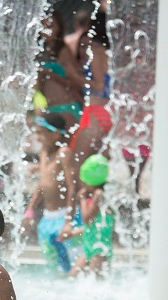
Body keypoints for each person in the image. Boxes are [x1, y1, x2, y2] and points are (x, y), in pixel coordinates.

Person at [68, 2, 111, 208]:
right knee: (94, 163)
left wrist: (75, 78)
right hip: (101, 111)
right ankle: (93, 210)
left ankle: (79, 212)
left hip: (95, 111)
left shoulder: (96, 48)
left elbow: (99, 84)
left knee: (79, 162)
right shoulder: (107, 50)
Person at [23, 113, 77, 272]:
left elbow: (72, 187)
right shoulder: (44, 152)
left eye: (41, 133)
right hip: (47, 219)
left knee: (68, 266)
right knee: (52, 266)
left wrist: (68, 221)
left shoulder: (64, 153)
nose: (38, 138)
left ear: (55, 134)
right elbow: (42, 183)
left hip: (62, 217)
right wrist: (30, 210)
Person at [67, 153, 114, 277]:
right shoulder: (96, 196)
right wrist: (73, 233)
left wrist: (82, 200)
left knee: (97, 287)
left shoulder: (99, 195)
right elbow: (92, 227)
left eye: (84, 182)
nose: (82, 185)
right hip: (90, 248)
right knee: (72, 277)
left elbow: (87, 219)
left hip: (99, 250)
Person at [36, 10, 84, 130]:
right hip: (52, 107)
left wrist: (50, 74)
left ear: (59, 27)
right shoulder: (45, 52)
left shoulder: (64, 51)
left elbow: (77, 82)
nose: (46, 30)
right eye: (44, 26)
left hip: (66, 107)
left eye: (50, 26)